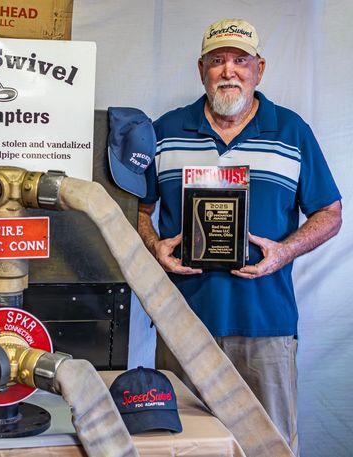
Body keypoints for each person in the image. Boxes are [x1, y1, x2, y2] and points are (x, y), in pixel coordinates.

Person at [137, 18, 342, 456]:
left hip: (266, 326)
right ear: (201, 70)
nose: (228, 71)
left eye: (240, 60)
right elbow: (140, 211)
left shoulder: (292, 131)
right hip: (182, 324)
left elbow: (330, 213)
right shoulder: (164, 131)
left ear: (258, 69)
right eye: (217, 61)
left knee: (269, 446)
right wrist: (154, 246)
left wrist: (284, 251)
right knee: (183, 448)